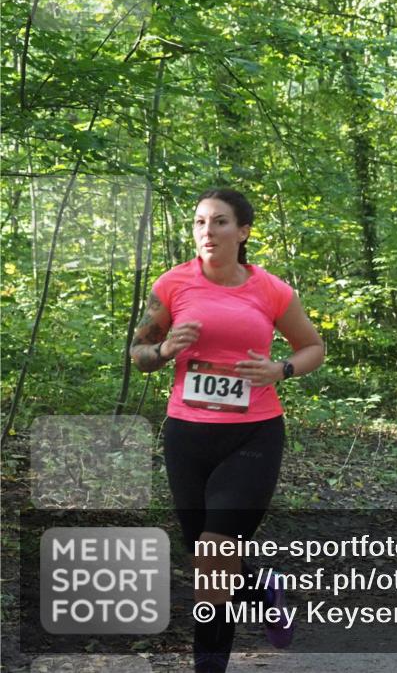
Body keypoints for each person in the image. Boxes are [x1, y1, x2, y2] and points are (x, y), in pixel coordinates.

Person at [130, 188, 324, 672]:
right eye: (199, 222)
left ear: (243, 232)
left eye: (219, 222)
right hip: (187, 435)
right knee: (206, 558)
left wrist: (281, 370)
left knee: (215, 556)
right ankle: (262, 588)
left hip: (253, 435)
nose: (207, 231)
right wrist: (167, 348)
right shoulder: (172, 285)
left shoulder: (272, 289)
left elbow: (312, 348)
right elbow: (139, 355)